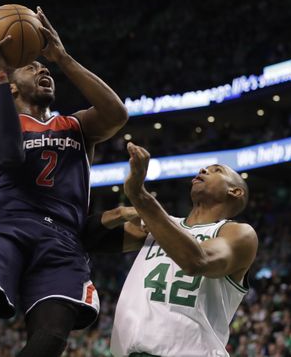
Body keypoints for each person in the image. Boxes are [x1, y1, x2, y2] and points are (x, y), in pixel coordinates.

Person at [0, 6, 128, 357]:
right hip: (8, 224)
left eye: (45, 67)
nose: (43, 69)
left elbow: (117, 114)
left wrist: (62, 57)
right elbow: (9, 153)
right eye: (32, 66)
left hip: (64, 237)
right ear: (12, 86)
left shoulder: (77, 126)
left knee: (49, 340)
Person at [110, 142, 259, 357]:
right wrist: (121, 212)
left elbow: (197, 261)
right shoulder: (159, 224)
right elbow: (89, 237)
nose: (203, 170)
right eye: (204, 168)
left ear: (235, 191)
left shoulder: (238, 233)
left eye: (217, 170)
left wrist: (139, 195)